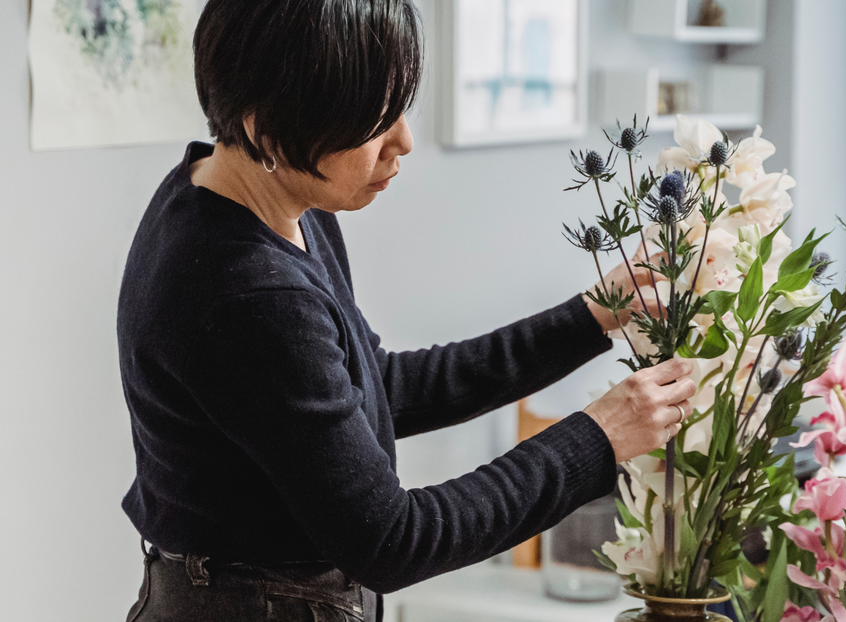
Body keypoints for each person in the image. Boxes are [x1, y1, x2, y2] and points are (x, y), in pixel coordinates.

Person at [116, 1, 695, 620]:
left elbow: (375, 384)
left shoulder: (261, 197)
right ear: (267, 130)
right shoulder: (247, 292)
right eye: (373, 118)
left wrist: (592, 314)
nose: (404, 141)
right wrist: (599, 438)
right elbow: (393, 540)